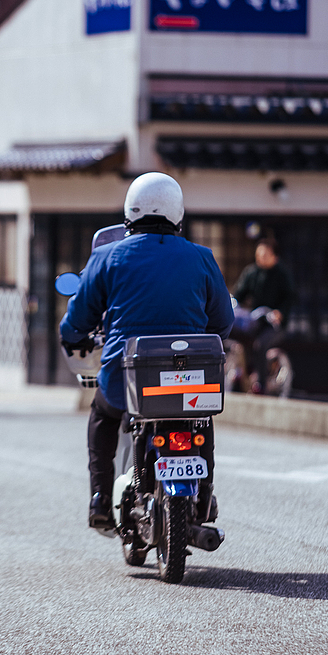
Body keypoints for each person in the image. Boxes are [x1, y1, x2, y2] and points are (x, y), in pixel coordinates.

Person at [60, 172, 234, 531]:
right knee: (199, 417)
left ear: (130, 210)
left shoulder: (107, 256)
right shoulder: (201, 257)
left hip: (128, 377)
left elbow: (79, 318)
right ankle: (203, 495)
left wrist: (73, 336)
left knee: (103, 416)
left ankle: (101, 500)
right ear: (177, 212)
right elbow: (223, 322)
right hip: (191, 376)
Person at [230, 237, 295, 393]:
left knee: (260, 344)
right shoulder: (251, 272)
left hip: (275, 324)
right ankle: (243, 373)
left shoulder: (282, 274)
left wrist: (280, 313)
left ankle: (261, 384)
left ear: (275, 257)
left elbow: (290, 297)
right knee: (238, 336)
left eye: (265, 255)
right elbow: (239, 293)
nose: (261, 258)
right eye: (259, 255)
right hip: (255, 320)